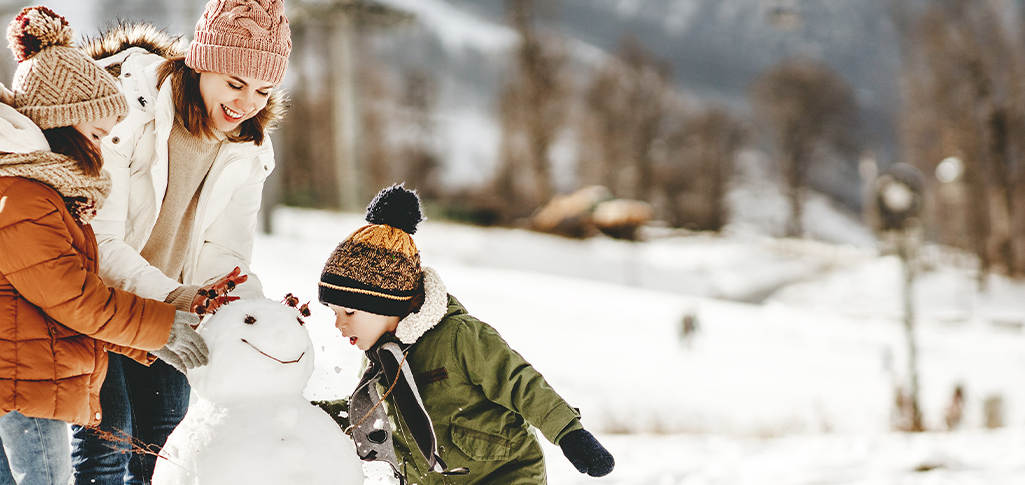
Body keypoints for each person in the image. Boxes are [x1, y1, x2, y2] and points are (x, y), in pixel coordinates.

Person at [0, 6, 239, 484]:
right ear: (62, 123)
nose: (100, 149)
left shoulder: (36, 193)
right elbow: (74, 298)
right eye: (96, 134)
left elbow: (63, 306)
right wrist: (161, 328)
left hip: (18, 372)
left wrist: (147, 346)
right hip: (23, 379)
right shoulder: (21, 199)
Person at [70, 1, 292, 483]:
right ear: (201, 62)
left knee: (165, 447)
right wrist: (175, 296)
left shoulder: (249, 149)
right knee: (109, 442)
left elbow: (225, 251)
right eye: (235, 83)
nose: (247, 103)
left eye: (263, 89)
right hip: (98, 300)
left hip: (172, 313)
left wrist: (243, 308)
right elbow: (99, 241)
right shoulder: (130, 110)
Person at [320, 185, 616, 484]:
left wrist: (569, 433)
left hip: (505, 474)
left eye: (350, 313)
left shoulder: (459, 337)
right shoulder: (378, 363)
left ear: (387, 303)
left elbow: (520, 383)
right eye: (334, 312)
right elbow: (362, 416)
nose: (339, 324)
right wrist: (299, 414)